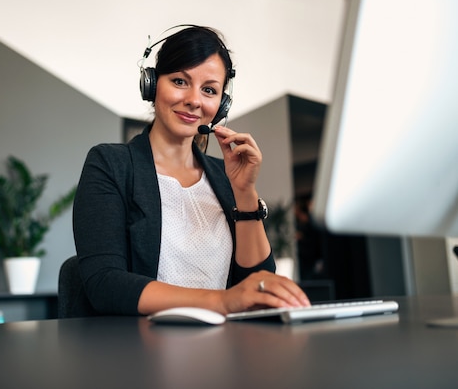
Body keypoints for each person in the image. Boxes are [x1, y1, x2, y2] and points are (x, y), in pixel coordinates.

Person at [73, 25, 310, 316]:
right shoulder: (110, 164)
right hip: (139, 349)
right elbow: (105, 283)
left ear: (221, 104)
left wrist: (244, 192)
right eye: (180, 81)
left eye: (209, 90)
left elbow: (257, 285)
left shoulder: (224, 175)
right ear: (152, 84)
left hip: (223, 346)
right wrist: (220, 301)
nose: (195, 100)